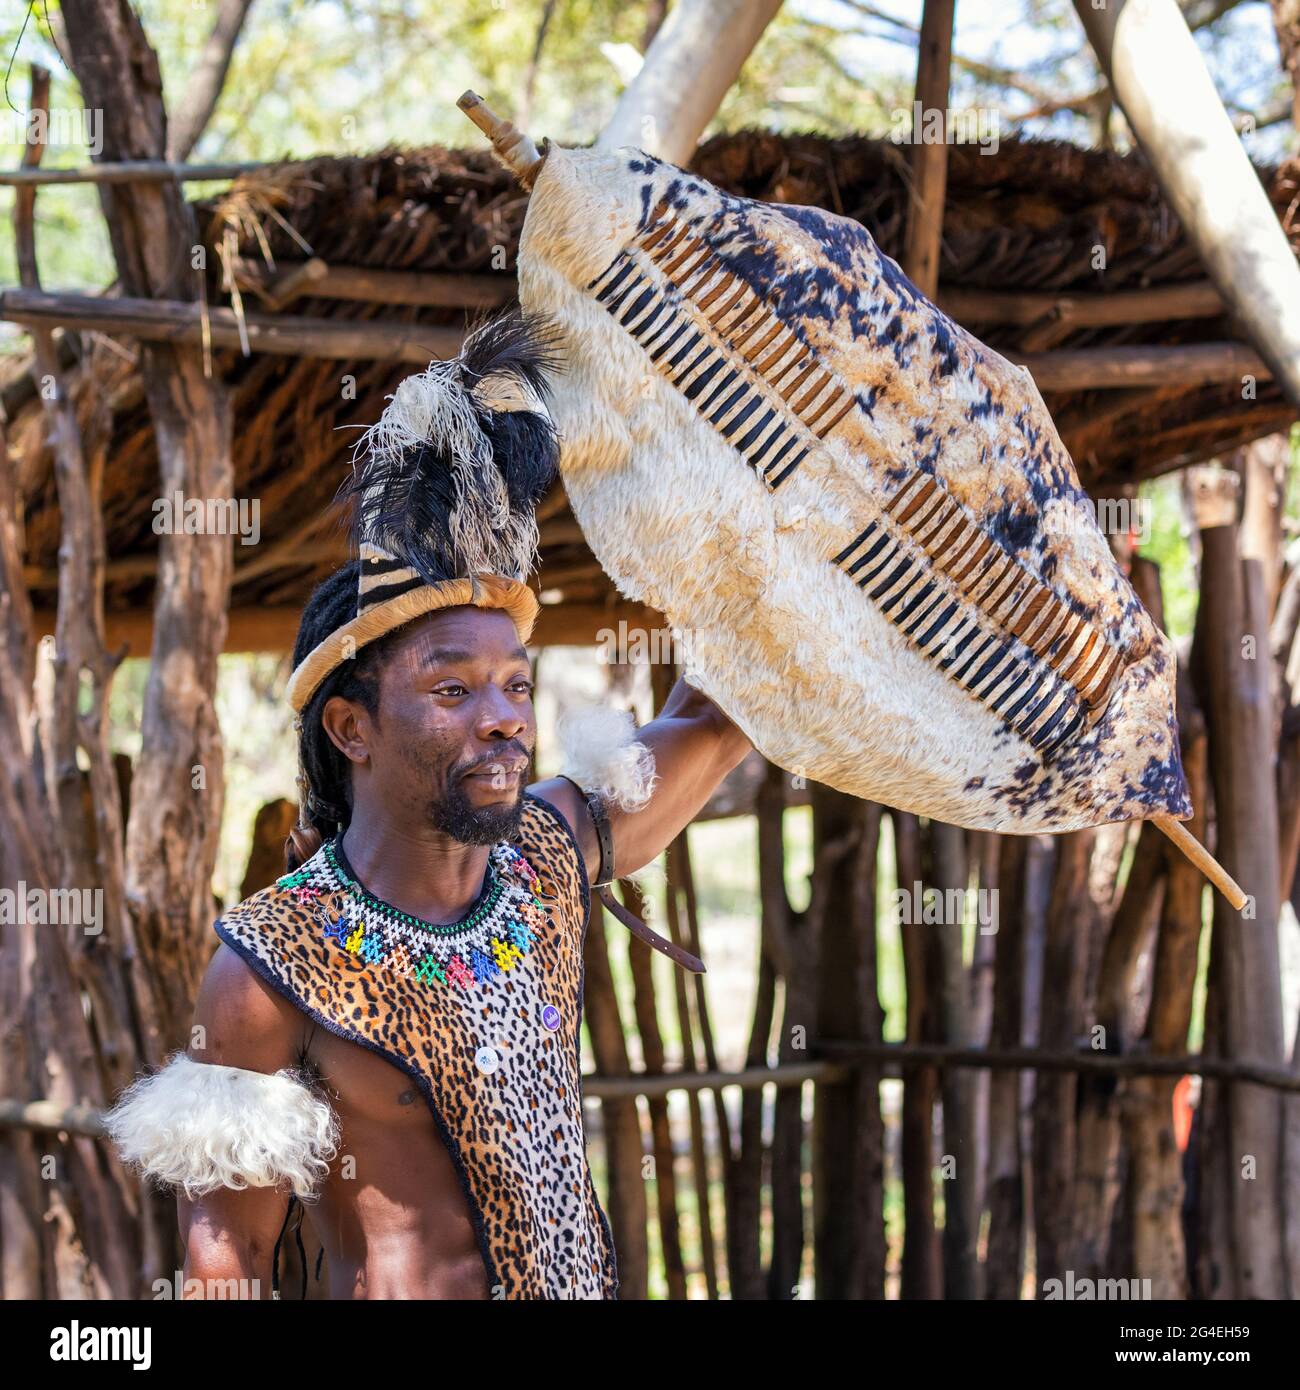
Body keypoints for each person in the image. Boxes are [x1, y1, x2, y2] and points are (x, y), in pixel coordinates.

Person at [105, 313, 752, 1299]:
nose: (501, 719)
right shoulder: (271, 966)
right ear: (351, 729)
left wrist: (773, 515)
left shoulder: (548, 850)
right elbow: (224, 1265)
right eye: (453, 690)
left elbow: (721, 712)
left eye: (515, 686)